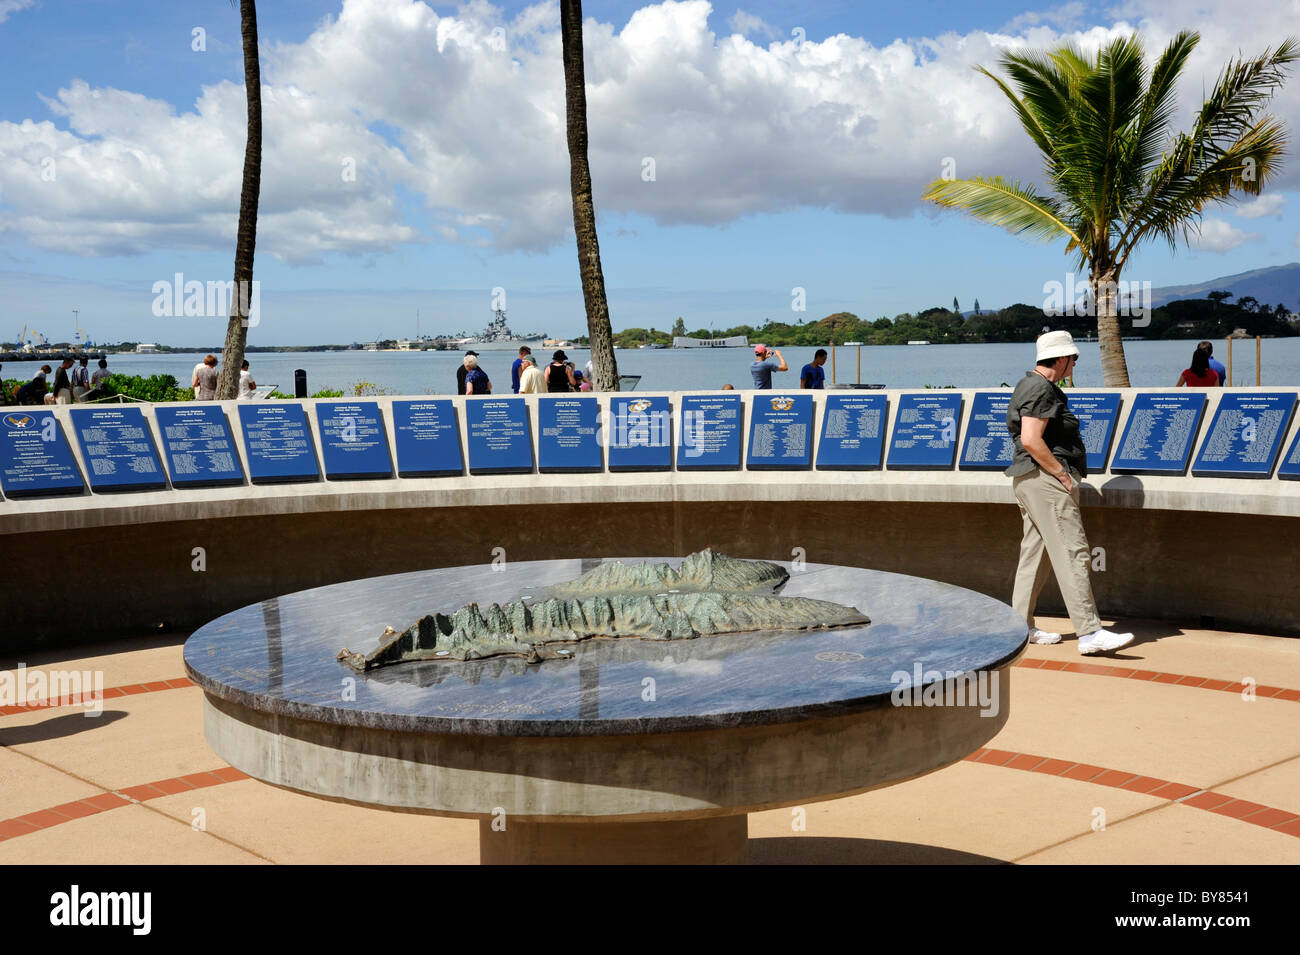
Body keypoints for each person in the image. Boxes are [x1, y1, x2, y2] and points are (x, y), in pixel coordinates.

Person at [1007, 330, 1133, 655]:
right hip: (1044, 480)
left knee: (1035, 555)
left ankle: (1020, 627)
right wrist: (1062, 474)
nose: (1074, 364)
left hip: (1028, 480)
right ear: (1062, 359)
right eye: (1074, 359)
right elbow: (1033, 439)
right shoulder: (1040, 389)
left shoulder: (1028, 385)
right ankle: (1089, 632)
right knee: (1073, 551)